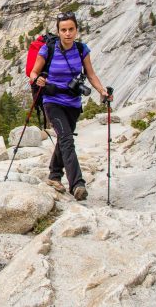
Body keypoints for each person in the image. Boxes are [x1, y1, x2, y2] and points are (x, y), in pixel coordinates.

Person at [28, 12, 112, 201]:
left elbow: (90, 74)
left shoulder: (82, 50)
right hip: (52, 101)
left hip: (73, 103)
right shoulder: (47, 50)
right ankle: (77, 184)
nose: (67, 33)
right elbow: (33, 73)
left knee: (63, 140)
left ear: (76, 30)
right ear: (58, 31)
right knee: (66, 139)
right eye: (63, 30)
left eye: (71, 29)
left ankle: (54, 175)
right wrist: (38, 79)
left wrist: (102, 90)